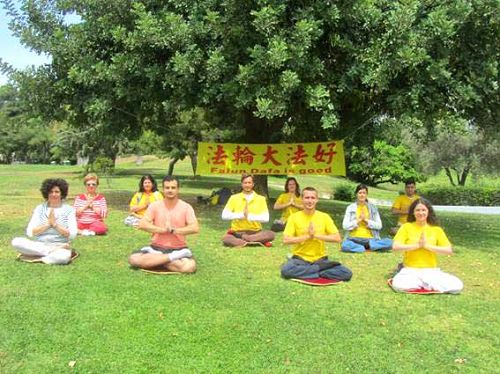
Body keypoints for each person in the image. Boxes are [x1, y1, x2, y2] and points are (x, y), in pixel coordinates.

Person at [128, 176, 198, 273]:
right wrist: (162, 230)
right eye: (167, 188)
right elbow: (143, 224)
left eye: (173, 188)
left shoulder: (186, 207)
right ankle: (171, 258)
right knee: (133, 259)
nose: (170, 190)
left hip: (178, 248)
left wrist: (174, 230)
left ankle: (155, 262)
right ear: (163, 189)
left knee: (189, 267)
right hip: (156, 248)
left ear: (178, 189)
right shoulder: (155, 206)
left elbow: (195, 228)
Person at [391, 198, 463, 293]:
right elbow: (395, 247)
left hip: (431, 271)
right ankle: (426, 284)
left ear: (428, 212)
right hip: (410, 270)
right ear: (413, 212)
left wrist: (426, 246)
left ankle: (424, 283)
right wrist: (417, 245)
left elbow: (448, 250)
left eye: (423, 210)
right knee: (399, 286)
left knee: (457, 286)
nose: (421, 213)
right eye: (418, 210)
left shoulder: (436, 229)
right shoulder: (406, 227)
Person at [281, 187, 352, 281]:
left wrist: (315, 235)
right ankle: (320, 271)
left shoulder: (324, 217)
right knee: (286, 271)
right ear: (302, 199)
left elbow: (337, 238)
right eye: (307, 198)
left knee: (346, 273)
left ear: (317, 200)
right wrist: (307, 236)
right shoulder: (294, 217)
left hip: (320, 260)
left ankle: (311, 272)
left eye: (312, 198)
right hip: (300, 259)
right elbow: (286, 240)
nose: (310, 201)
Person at [11, 178, 77, 265]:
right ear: (46, 193)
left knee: (63, 257)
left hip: (60, 245)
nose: (53, 194)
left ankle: (41, 257)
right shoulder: (39, 209)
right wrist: (48, 224)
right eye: (51, 192)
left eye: (57, 192)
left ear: (62, 194)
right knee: (16, 242)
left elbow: (72, 234)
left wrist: (55, 225)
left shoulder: (69, 210)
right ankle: (49, 253)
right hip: (40, 245)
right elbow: (30, 232)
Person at [221, 174, 275, 247]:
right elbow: (224, 215)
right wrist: (241, 215)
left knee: (271, 234)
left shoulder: (261, 199)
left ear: (253, 184)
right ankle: (257, 241)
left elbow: (266, 218)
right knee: (225, 238)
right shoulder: (234, 198)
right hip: (237, 232)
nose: (247, 185)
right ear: (242, 184)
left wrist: (249, 216)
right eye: (245, 183)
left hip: (255, 232)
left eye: (249, 183)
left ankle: (244, 240)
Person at [341, 184, 392, 252]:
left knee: (390, 242)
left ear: (366, 194)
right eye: (360, 193)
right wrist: (358, 220)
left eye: (364, 193)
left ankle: (365, 247)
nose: (362, 195)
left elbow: (379, 226)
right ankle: (364, 248)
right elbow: (345, 226)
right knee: (344, 245)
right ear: (356, 194)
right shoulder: (350, 208)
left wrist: (366, 220)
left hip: (370, 239)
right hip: (353, 238)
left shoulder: (373, 208)